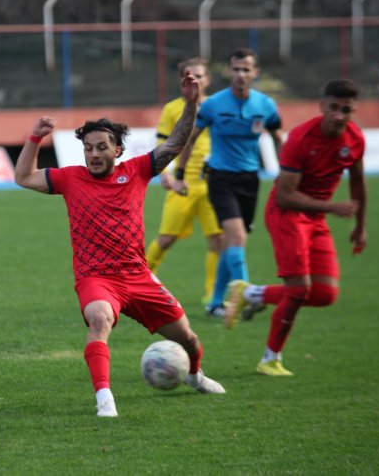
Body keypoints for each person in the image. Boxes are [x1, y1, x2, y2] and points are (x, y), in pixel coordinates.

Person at [15, 71, 225, 418]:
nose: (93, 154)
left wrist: (190, 105)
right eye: (87, 148)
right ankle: (104, 399)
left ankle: (194, 375)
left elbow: (176, 142)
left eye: (100, 147)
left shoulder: (139, 170)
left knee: (187, 339)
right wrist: (35, 138)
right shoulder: (70, 178)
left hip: (138, 277)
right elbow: (23, 177)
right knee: (99, 319)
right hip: (96, 278)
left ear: (118, 149)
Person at [225, 79, 367, 376]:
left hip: (315, 218)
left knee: (325, 294)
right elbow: (287, 196)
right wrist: (332, 207)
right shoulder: (301, 139)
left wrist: (360, 225)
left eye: (347, 110)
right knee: (299, 289)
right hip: (285, 214)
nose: (339, 115)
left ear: (353, 111)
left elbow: (357, 181)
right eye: (334, 108)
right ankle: (269, 359)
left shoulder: (355, 139)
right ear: (322, 106)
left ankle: (249, 294)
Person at [173, 48, 282, 318]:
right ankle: (247, 294)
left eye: (246, 69)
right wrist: (181, 171)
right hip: (220, 178)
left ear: (255, 73)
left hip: (250, 179)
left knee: (232, 244)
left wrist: (286, 171)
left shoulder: (265, 105)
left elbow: (279, 137)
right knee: (236, 237)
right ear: (229, 72)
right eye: (235, 69)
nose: (240, 74)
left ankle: (215, 302)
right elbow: (192, 137)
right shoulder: (213, 105)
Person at [145, 58, 222, 304]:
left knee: (217, 240)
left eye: (200, 75)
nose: (196, 80)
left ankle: (212, 294)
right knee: (166, 238)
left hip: (213, 184)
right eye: (191, 76)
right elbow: (162, 144)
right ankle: (141, 282)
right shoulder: (172, 109)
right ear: (183, 81)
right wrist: (167, 176)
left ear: (208, 79)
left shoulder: (218, 106)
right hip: (183, 184)